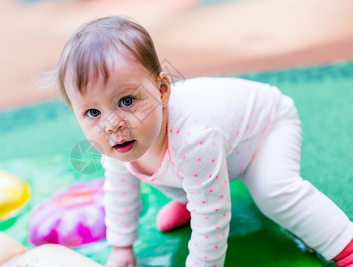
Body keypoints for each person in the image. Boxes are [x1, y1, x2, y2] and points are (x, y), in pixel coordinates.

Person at [54, 16, 353, 267]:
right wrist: (121, 247)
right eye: (92, 111)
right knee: (180, 172)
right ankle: (191, 196)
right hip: (218, 151)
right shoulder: (118, 138)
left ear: (162, 91)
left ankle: (345, 245)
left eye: (127, 100)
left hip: (266, 127)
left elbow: (213, 220)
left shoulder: (194, 138)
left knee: (272, 191)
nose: (112, 123)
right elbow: (119, 190)